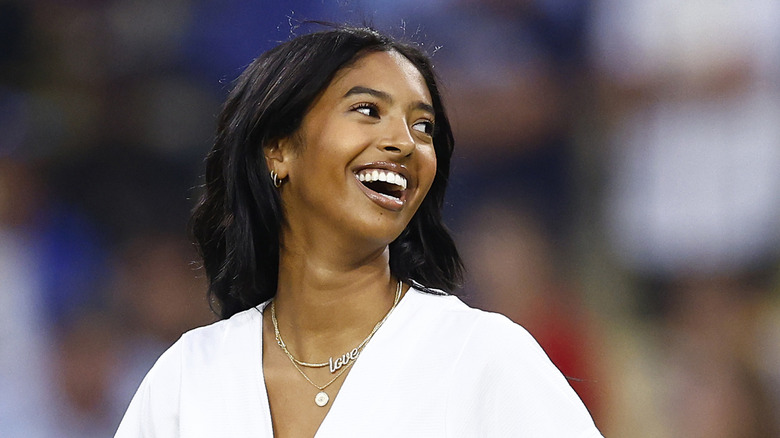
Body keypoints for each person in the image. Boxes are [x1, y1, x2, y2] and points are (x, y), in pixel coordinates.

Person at [115, 25, 602, 437]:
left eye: (424, 127)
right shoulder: (187, 377)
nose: (404, 143)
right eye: (368, 110)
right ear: (279, 149)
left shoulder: (482, 356)